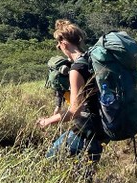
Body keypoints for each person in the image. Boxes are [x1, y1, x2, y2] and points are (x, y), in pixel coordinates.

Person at [37, 19, 104, 162]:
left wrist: (48, 121)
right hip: (102, 126)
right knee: (87, 172)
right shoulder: (91, 60)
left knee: (50, 160)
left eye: (58, 44)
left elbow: (75, 111)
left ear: (64, 43)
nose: (58, 47)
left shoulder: (76, 69)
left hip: (87, 128)